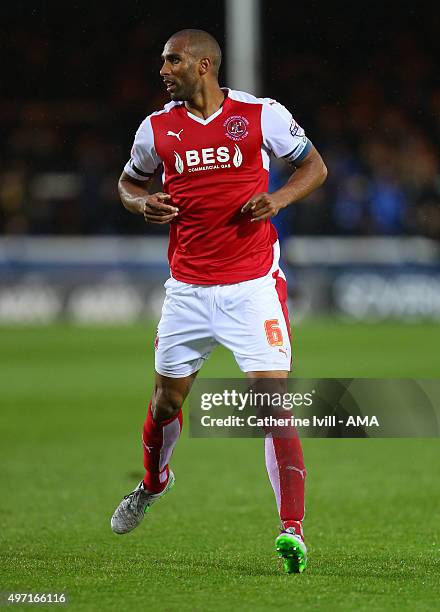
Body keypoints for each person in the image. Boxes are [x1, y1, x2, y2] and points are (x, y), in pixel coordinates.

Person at [110, 28, 327, 574]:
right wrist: (141, 205)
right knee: (165, 403)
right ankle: (154, 483)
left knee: (273, 405)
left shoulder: (262, 115)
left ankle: (292, 530)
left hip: (253, 287)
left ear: (203, 66)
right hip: (187, 290)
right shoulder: (155, 129)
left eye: (172, 60)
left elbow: (314, 167)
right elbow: (127, 183)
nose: (163, 70)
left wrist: (277, 198)